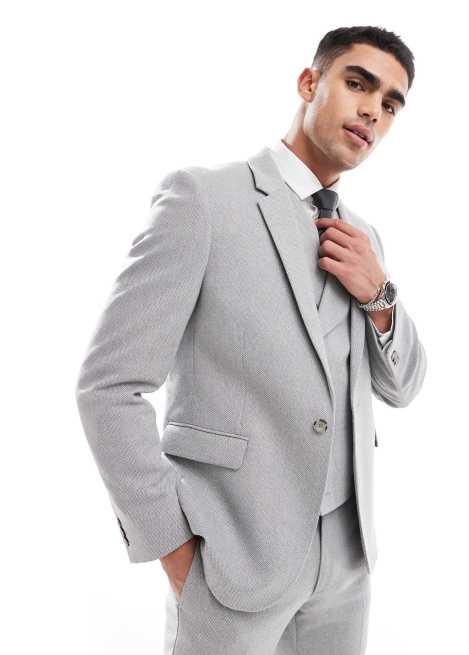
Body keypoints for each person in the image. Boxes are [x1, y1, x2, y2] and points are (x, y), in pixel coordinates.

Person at [75, 25, 427, 655]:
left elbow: (403, 387)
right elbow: (108, 387)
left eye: (391, 104)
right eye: (358, 84)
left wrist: (380, 294)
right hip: (230, 562)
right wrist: (173, 547)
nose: (374, 110)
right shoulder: (203, 200)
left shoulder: (364, 239)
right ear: (309, 83)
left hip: (346, 565)